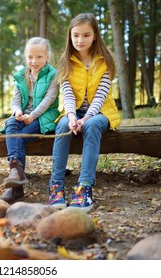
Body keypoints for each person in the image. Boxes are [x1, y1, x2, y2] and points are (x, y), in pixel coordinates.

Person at [47, 13, 121, 212]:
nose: (80, 40)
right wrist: (71, 117)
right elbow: (67, 94)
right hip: (74, 111)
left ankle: (85, 188)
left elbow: (100, 96)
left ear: (95, 36)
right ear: (70, 36)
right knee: (62, 126)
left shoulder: (104, 61)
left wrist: (86, 118)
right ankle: (56, 186)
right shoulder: (66, 62)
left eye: (86, 35)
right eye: (76, 35)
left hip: (101, 111)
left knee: (92, 125)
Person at [0, 37, 60, 204]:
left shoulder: (53, 75)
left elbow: (49, 100)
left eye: (39, 57)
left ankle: (15, 190)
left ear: (47, 56)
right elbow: (16, 99)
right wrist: (17, 111)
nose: (34, 61)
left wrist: (33, 116)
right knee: (10, 124)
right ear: (26, 57)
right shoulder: (21, 75)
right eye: (30, 57)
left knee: (19, 136)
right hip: (23, 115)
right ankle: (16, 171)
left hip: (44, 116)